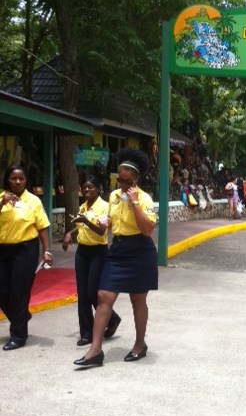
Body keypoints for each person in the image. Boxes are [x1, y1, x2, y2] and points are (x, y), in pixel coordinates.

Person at [74, 148, 158, 368]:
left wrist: (135, 203)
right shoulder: (112, 196)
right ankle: (95, 351)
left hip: (140, 250)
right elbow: (108, 222)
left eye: (127, 181)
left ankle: (140, 344)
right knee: (103, 295)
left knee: (138, 299)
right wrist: (104, 223)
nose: (123, 185)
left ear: (137, 179)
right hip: (118, 250)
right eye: (120, 180)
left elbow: (147, 229)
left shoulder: (144, 198)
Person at [62, 175, 122, 346]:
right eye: (84, 187)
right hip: (82, 252)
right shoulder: (83, 206)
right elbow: (79, 224)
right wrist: (69, 233)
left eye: (91, 187)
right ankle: (86, 333)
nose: (87, 190)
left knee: (92, 292)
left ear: (98, 188)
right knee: (82, 293)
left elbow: (101, 232)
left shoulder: (104, 206)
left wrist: (86, 221)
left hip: (98, 252)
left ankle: (112, 319)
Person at [0, 165, 52, 350]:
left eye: (21, 178)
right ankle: (20, 316)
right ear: (7, 180)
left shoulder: (33, 201)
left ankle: (18, 336)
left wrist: (47, 250)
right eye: (13, 178)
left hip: (25, 249)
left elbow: (42, 227)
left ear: (26, 180)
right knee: (2, 290)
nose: (17, 182)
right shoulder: (1, 197)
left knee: (19, 292)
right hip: (3, 250)